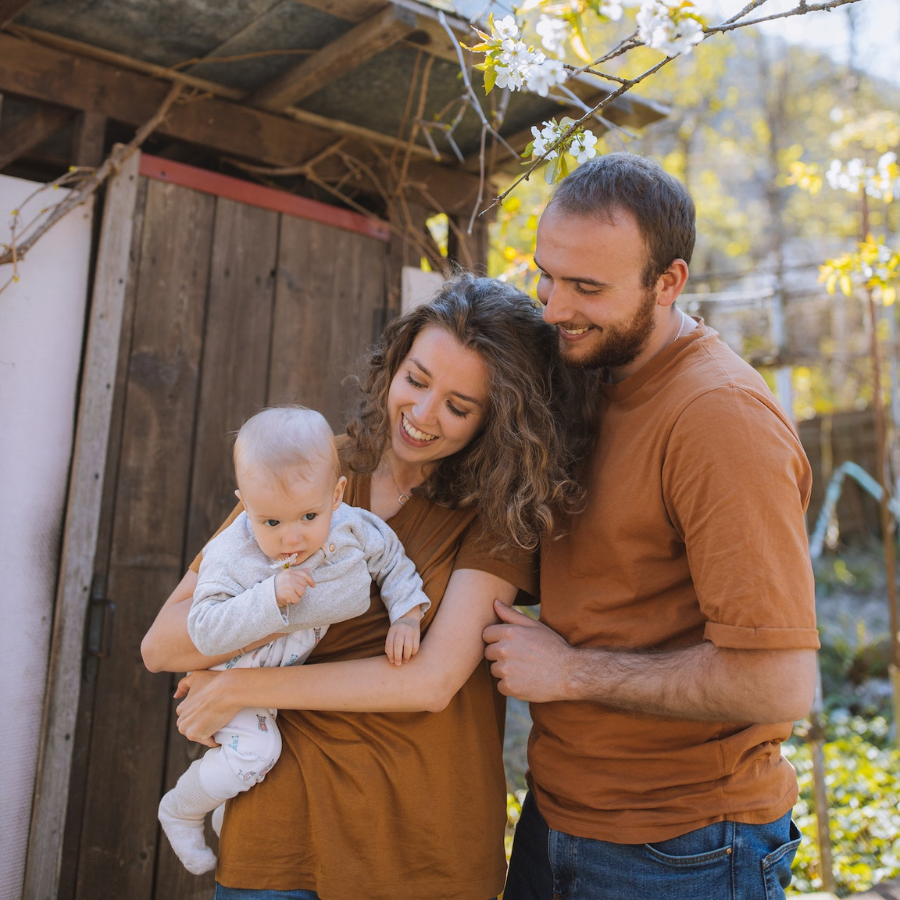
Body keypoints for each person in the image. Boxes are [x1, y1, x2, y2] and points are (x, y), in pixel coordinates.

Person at [141, 273, 592, 900]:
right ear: (394, 366)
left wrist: (239, 683)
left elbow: (431, 682)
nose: (423, 415)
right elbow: (164, 644)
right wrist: (270, 607)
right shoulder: (311, 470)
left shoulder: (498, 514)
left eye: (460, 407)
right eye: (416, 380)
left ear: (501, 419)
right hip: (280, 825)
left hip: (420, 839)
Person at [483, 152, 820, 900]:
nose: (551, 307)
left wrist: (569, 670)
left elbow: (778, 683)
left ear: (668, 283)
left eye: (587, 288)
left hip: (684, 846)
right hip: (558, 811)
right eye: (546, 273)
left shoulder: (719, 420)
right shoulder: (591, 368)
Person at [159, 406, 431, 875]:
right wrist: (270, 599)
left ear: (337, 493)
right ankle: (182, 809)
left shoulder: (352, 526)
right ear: (244, 505)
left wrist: (407, 616)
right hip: (231, 677)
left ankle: (221, 809)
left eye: (308, 515)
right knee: (259, 753)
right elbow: (202, 627)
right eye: (271, 523)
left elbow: (392, 561)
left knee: (246, 764)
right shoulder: (231, 552)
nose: (291, 538)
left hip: (275, 685)